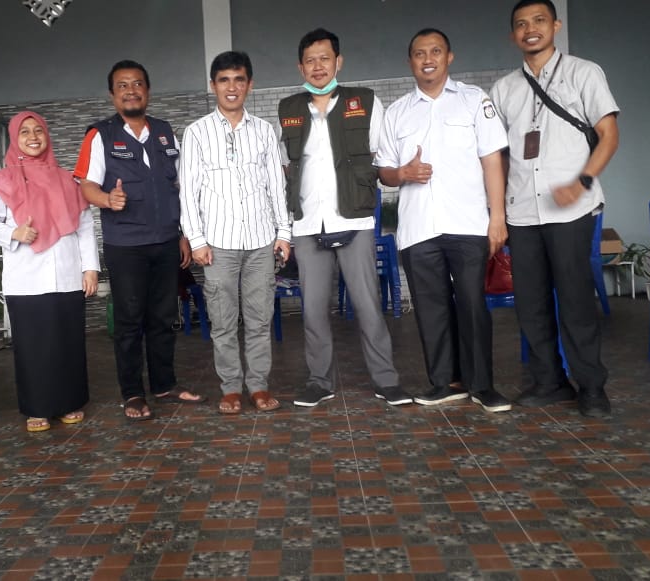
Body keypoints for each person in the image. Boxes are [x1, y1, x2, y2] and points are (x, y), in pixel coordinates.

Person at [489, 0, 619, 418]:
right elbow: (498, 157)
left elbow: (608, 134)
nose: (530, 29)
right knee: (531, 303)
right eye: (521, 24)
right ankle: (550, 382)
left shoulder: (584, 72)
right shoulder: (504, 89)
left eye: (539, 20)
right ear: (513, 34)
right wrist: (497, 213)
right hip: (522, 212)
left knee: (576, 300)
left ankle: (592, 386)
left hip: (571, 210)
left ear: (555, 26)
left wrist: (583, 182)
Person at [376, 29, 511, 412]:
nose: (428, 59)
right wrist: (403, 173)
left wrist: (497, 217)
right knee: (430, 309)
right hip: (419, 228)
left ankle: (482, 385)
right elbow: (384, 172)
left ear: (449, 57)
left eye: (435, 51)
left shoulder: (474, 100)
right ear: (410, 62)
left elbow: (492, 160)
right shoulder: (397, 111)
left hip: (467, 223)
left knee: (472, 305)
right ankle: (443, 382)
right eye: (419, 53)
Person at [276, 28, 407, 407]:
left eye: (325, 58)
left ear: (338, 62)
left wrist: (400, 175)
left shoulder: (364, 101)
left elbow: (382, 156)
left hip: (354, 221)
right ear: (300, 67)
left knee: (368, 305)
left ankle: (386, 380)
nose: (318, 66)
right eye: (310, 60)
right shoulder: (288, 109)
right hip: (307, 224)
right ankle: (320, 381)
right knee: (314, 309)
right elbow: (284, 168)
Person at [73, 60, 206, 421]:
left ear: (147, 91)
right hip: (126, 244)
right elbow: (85, 184)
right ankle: (132, 392)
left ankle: (164, 384)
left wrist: (183, 234)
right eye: (123, 85)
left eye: (137, 84)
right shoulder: (100, 135)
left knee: (164, 316)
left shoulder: (164, 132)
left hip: (166, 241)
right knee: (130, 320)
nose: (131, 91)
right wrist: (107, 199)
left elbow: (179, 186)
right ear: (112, 95)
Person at [179, 51, 292, 415]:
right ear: (213, 85)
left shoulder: (264, 131)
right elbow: (188, 191)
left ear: (249, 84)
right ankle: (230, 387)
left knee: (259, 319)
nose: (232, 87)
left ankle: (258, 385)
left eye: (239, 79)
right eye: (224, 80)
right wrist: (196, 240)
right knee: (223, 321)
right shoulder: (196, 133)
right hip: (217, 245)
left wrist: (284, 232)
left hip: (261, 241)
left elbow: (276, 187)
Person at [0, 111, 99, 432]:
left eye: (38, 131)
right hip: (26, 279)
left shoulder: (68, 180)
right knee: (33, 347)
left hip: (67, 274)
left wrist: (90, 268)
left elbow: (85, 226)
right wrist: (14, 233)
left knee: (68, 343)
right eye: (25, 132)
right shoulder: (2, 181)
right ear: (14, 138)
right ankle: (38, 408)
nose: (33, 137)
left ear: (47, 135)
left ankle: (70, 401)